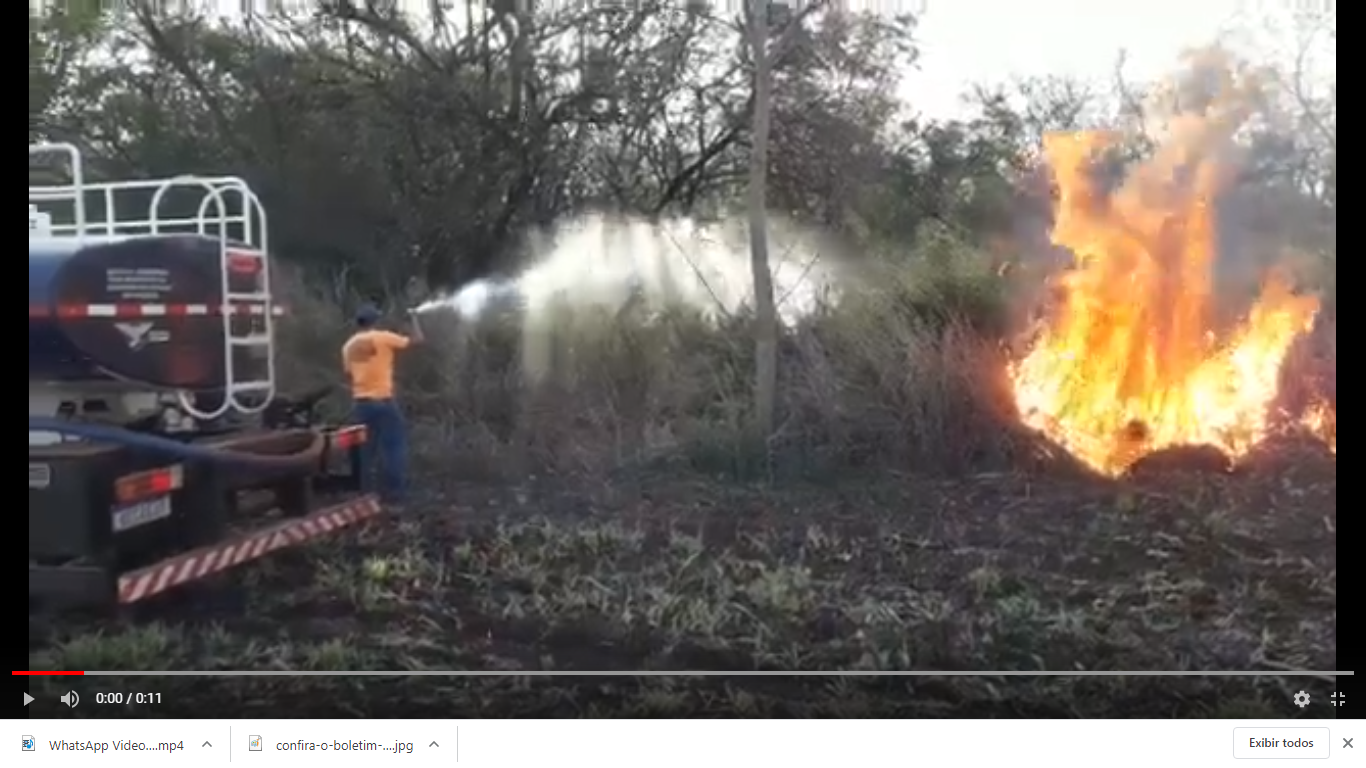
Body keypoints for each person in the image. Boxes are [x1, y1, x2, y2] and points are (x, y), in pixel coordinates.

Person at [341, 303, 424, 506]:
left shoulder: (348, 346)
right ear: (375, 321)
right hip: (383, 401)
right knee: (394, 446)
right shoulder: (382, 337)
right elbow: (418, 340)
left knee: (365, 450)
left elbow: (349, 373)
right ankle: (395, 495)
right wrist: (413, 318)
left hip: (361, 403)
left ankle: (365, 495)